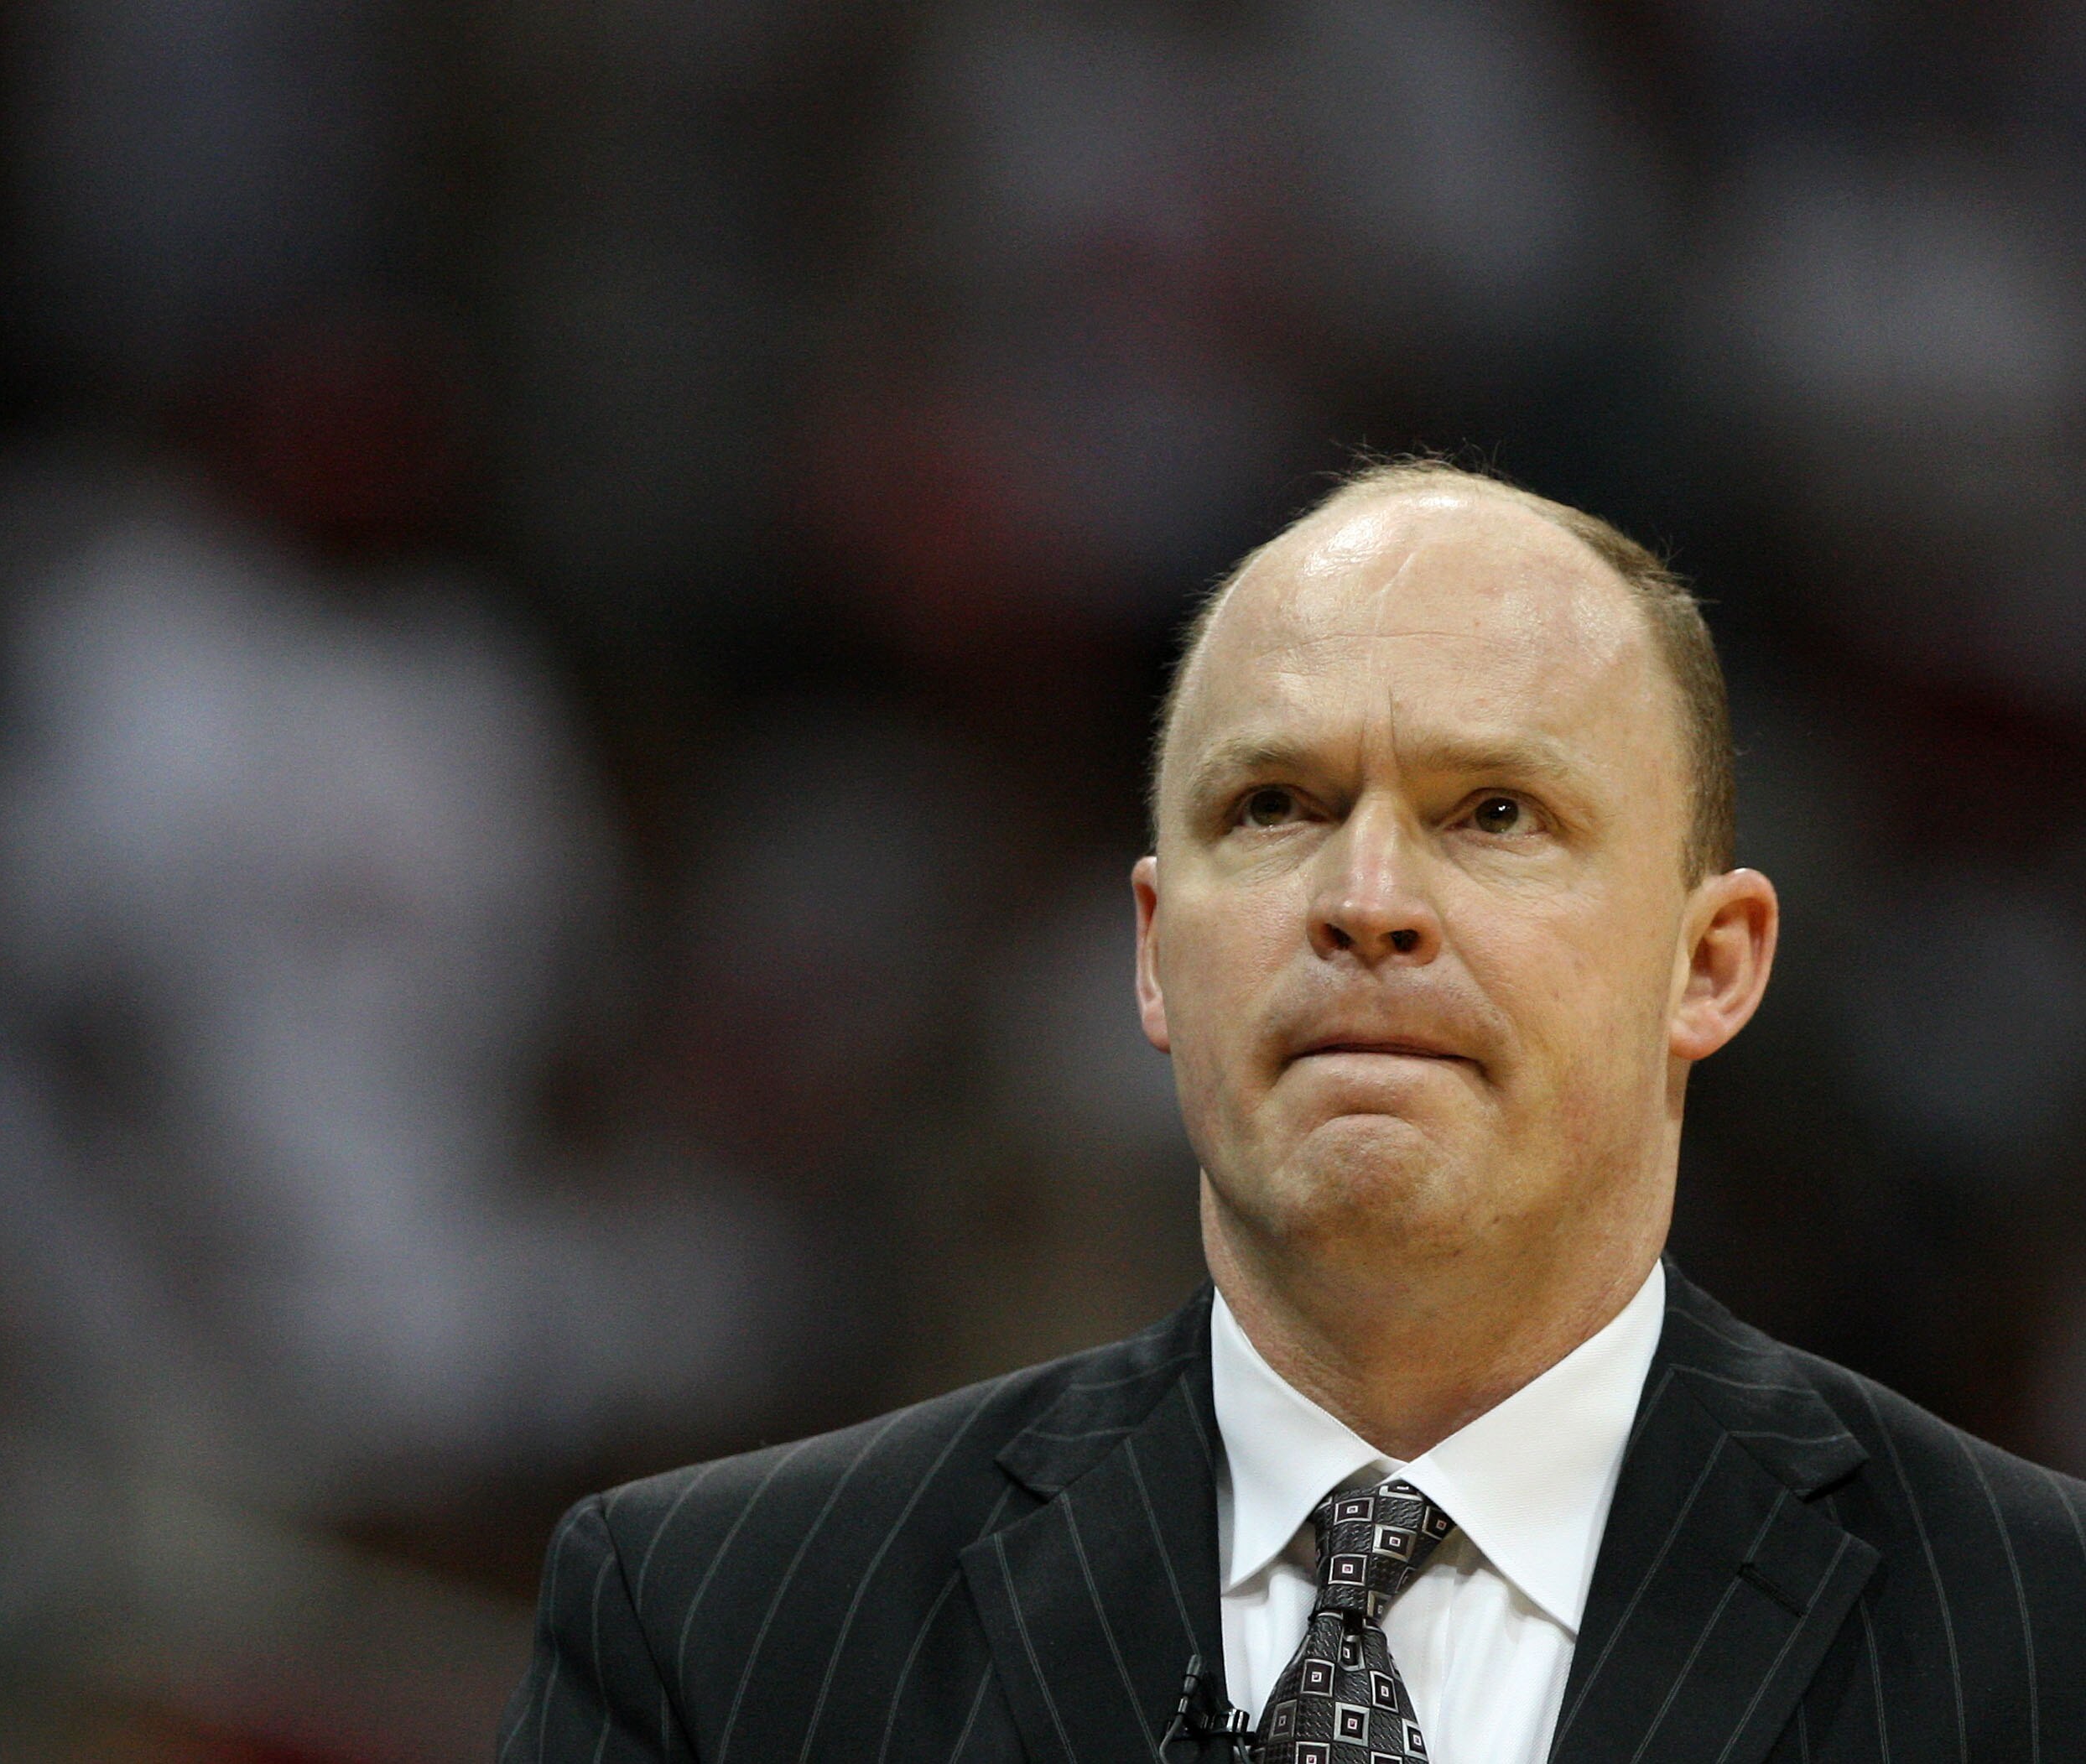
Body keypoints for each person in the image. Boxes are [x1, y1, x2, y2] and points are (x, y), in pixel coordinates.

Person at [499, 461, 2086, 1763]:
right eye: (1275, 809)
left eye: (1495, 814)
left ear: (1711, 964)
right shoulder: (715, 1637)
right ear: (1154, 955)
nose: (1369, 900)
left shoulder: (2039, 1641)